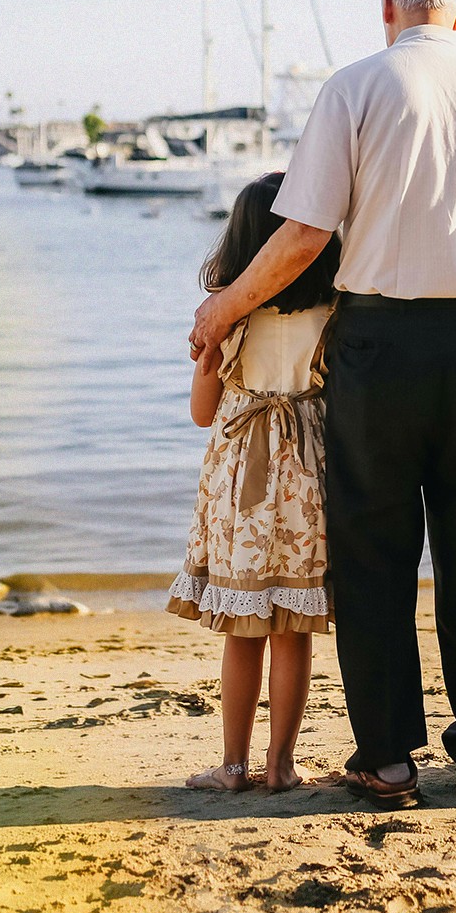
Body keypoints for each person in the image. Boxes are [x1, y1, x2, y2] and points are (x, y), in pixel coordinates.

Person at [188, 0, 456, 809]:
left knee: (377, 557)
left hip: (378, 342)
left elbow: (303, 235)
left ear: (386, 3)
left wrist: (224, 307)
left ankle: (386, 759)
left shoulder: (353, 86)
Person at [168, 171, 342, 793]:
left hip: (242, 471)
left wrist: (212, 361)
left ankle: (234, 765)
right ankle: (282, 766)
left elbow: (201, 413)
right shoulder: (334, 308)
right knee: (293, 629)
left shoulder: (228, 318)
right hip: (308, 470)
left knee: (243, 631)